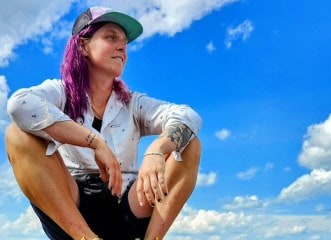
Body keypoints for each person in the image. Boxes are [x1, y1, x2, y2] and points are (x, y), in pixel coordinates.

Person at [5, 6, 201, 240]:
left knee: (189, 143)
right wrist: (95, 142)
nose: (122, 47)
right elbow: (20, 104)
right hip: (75, 205)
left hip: (128, 203)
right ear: (83, 46)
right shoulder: (61, 93)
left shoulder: (133, 103)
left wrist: (157, 150)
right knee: (17, 134)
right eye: (111, 37)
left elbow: (189, 115)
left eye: (125, 43)